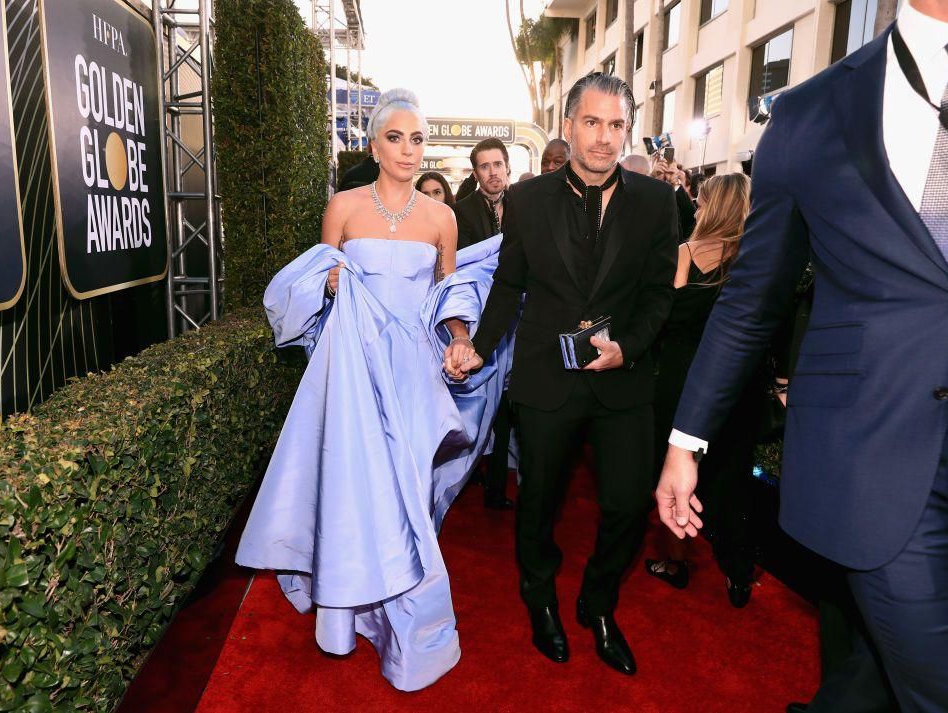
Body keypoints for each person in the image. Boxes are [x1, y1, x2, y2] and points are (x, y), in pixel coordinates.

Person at [656, 2, 948, 710]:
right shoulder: (812, 111)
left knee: (868, 677)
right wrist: (687, 440)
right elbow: (751, 300)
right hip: (880, 457)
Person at [236, 89, 511, 692]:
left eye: (418, 139)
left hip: (414, 369)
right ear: (373, 145)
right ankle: (347, 609)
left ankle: (398, 613)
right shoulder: (342, 208)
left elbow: (449, 297)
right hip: (354, 367)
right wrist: (330, 285)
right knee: (357, 483)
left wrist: (461, 340)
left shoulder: (442, 218)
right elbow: (313, 288)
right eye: (396, 138)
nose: (409, 150)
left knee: (408, 489)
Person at [448, 72, 679, 675]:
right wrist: (481, 343)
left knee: (629, 505)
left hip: (623, 382)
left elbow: (659, 295)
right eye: (593, 122)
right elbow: (509, 285)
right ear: (569, 125)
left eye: (617, 125)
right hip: (547, 379)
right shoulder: (527, 201)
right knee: (540, 504)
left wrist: (626, 348)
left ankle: (599, 604)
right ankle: (540, 597)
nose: (604, 138)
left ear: (628, 129)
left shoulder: (657, 202)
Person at [642, 174, 762, 607]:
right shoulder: (755, 259)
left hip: (680, 383)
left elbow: (661, 321)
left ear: (706, 204)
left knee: (675, 475)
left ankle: (675, 562)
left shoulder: (683, 254)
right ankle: (739, 575)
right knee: (734, 478)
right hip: (735, 385)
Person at [453, 138, 515, 509]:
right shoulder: (461, 212)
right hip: (479, 316)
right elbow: (463, 265)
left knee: (509, 402)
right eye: (485, 167)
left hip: (522, 317)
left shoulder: (526, 204)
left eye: (498, 165)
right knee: (479, 399)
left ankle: (497, 487)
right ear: (476, 173)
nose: (493, 173)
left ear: (507, 166)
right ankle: (467, 473)